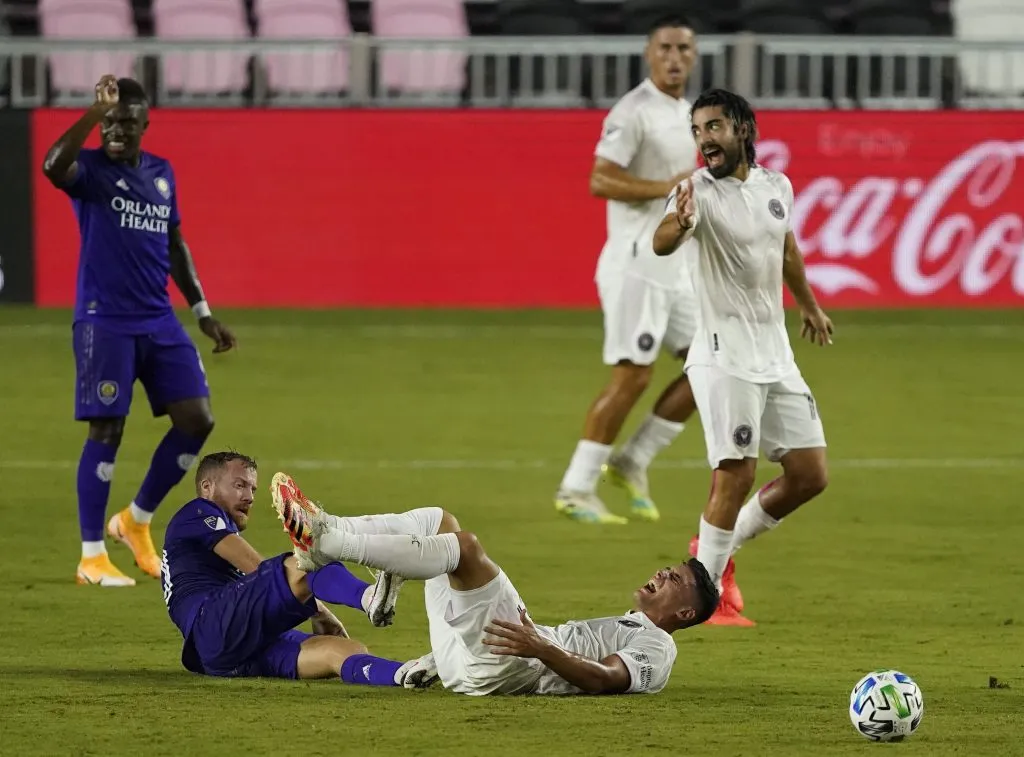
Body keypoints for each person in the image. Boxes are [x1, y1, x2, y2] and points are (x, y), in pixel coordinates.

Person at [271, 472, 720, 696]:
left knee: (464, 548)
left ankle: (328, 539)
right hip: (474, 663)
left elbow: (608, 679)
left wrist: (542, 647)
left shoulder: (660, 647)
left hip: (511, 664)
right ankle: (343, 553)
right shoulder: (632, 624)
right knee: (440, 522)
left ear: (685, 613)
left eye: (675, 578)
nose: (663, 572)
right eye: (669, 569)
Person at [41, 75, 237, 587]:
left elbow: (175, 244)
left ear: (144, 125)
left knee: (197, 419)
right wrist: (91, 110)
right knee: (108, 428)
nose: (115, 132)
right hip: (104, 320)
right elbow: (51, 165)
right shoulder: (91, 172)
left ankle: (135, 521)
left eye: (125, 123)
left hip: (159, 320)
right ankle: (91, 556)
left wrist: (202, 310)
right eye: (108, 124)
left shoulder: (160, 173)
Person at [652, 89, 833, 627]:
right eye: (697, 130)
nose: (704, 139)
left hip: (774, 353)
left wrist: (809, 305)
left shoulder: (777, 185)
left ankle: (719, 551)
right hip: (721, 357)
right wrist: (680, 224)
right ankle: (700, 602)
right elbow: (662, 241)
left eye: (713, 127)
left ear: (742, 129)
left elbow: (786, 248)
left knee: (809, 473)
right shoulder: (694, 193)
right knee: (735, 474)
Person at [555, 16, 703, 525]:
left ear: (695, 54)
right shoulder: (633, 111)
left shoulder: (685, 111)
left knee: (713, 364)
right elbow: (601, 179)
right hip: (636, 263)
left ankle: (633, 459)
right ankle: (576, 487)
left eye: (684, 48)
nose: (675, 57)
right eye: (666, 47)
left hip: (674, 267)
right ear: (648, 53)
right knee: (633, 377)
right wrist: (668, 185)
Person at [160, 451, 437, 687]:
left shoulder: (204, 538)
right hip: (211, 624)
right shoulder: (197, 513)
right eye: (239, 485)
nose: (249, 496)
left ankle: (402, 674)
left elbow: (257, 584)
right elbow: (255, 567)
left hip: (221, 653)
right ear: (207, 487)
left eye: (252, 489)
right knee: (307, 559)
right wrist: (319, 609)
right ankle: (370, 598)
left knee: (342, 650)